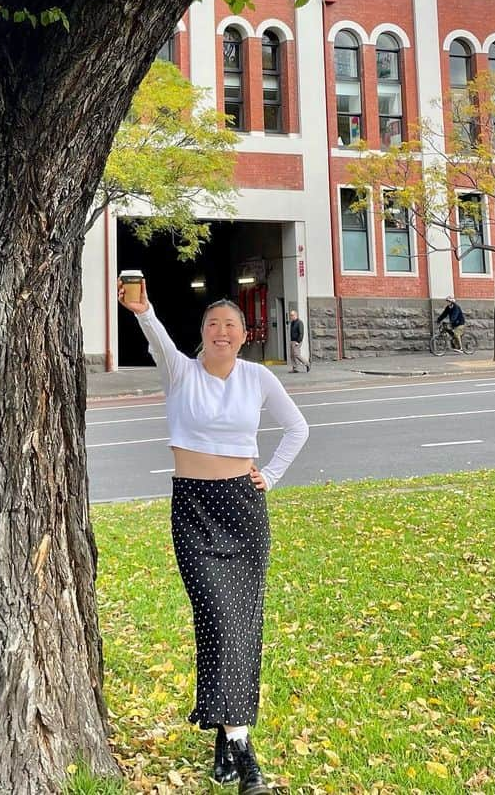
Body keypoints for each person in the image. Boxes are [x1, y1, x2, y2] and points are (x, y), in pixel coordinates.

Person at [119, 277, 309, 793]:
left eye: (230, 325)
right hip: (195, 511)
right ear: (201, 333)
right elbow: (157, 337)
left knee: (239, 625)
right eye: (212, 325)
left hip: (243, 510)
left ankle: (229, 739)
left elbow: (298, 429)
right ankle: (241, 746)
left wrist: (268, 476)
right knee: (217, 616)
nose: (221, 332)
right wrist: (142, 309)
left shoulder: (257, 379)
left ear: (244, 335)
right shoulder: (182, 373)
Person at [288, 308, 308, 373]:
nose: (291, 316)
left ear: (296, 315)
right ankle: (295, 368)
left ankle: (307, 363)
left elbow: (301, 333)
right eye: (290, 315)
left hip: (297, 341)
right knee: (292, 355)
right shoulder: (292, 323)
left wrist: (298, 341)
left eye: (292, 315)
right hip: (292, 341)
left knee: (296, 354)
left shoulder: (299, 322)